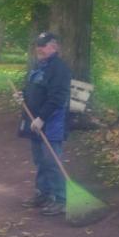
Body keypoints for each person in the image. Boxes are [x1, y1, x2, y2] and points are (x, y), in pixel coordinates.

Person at [18, 31, 71, 216]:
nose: (39, 49)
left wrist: (42, 118)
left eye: (43, 45)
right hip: (35, 122)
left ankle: (61, 200)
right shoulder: (38, 66)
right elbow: (32, 89)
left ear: (54, 47)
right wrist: (22, 95)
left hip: (52, 122)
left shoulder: (59, 69)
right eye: (38, 45)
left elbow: (58, 98)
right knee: (40, 160)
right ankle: (43, 194)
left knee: (52, 161)